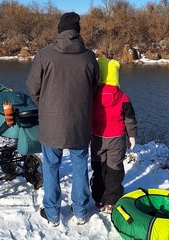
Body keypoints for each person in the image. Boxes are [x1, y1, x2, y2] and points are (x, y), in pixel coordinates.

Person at [26, 12, 99, 226]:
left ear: (59, 31)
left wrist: (45, 105)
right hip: (79, 124)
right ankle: (80, 212)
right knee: (79, 166)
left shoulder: (44, 55)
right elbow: (92, 87)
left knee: (51, 166)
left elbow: (32, 87)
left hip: (51, 123)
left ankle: (53, 214)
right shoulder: (89, 57)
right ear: (78, 32)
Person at [90, 57, 137, 214]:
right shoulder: (123, 97)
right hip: (117, 139)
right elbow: (130, 118)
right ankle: (112, 202)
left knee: (99, 169)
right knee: (114, 170)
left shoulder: (92, 94)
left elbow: (84, 114)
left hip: (97, 137)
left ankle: (99, 200)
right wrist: (132, 136)